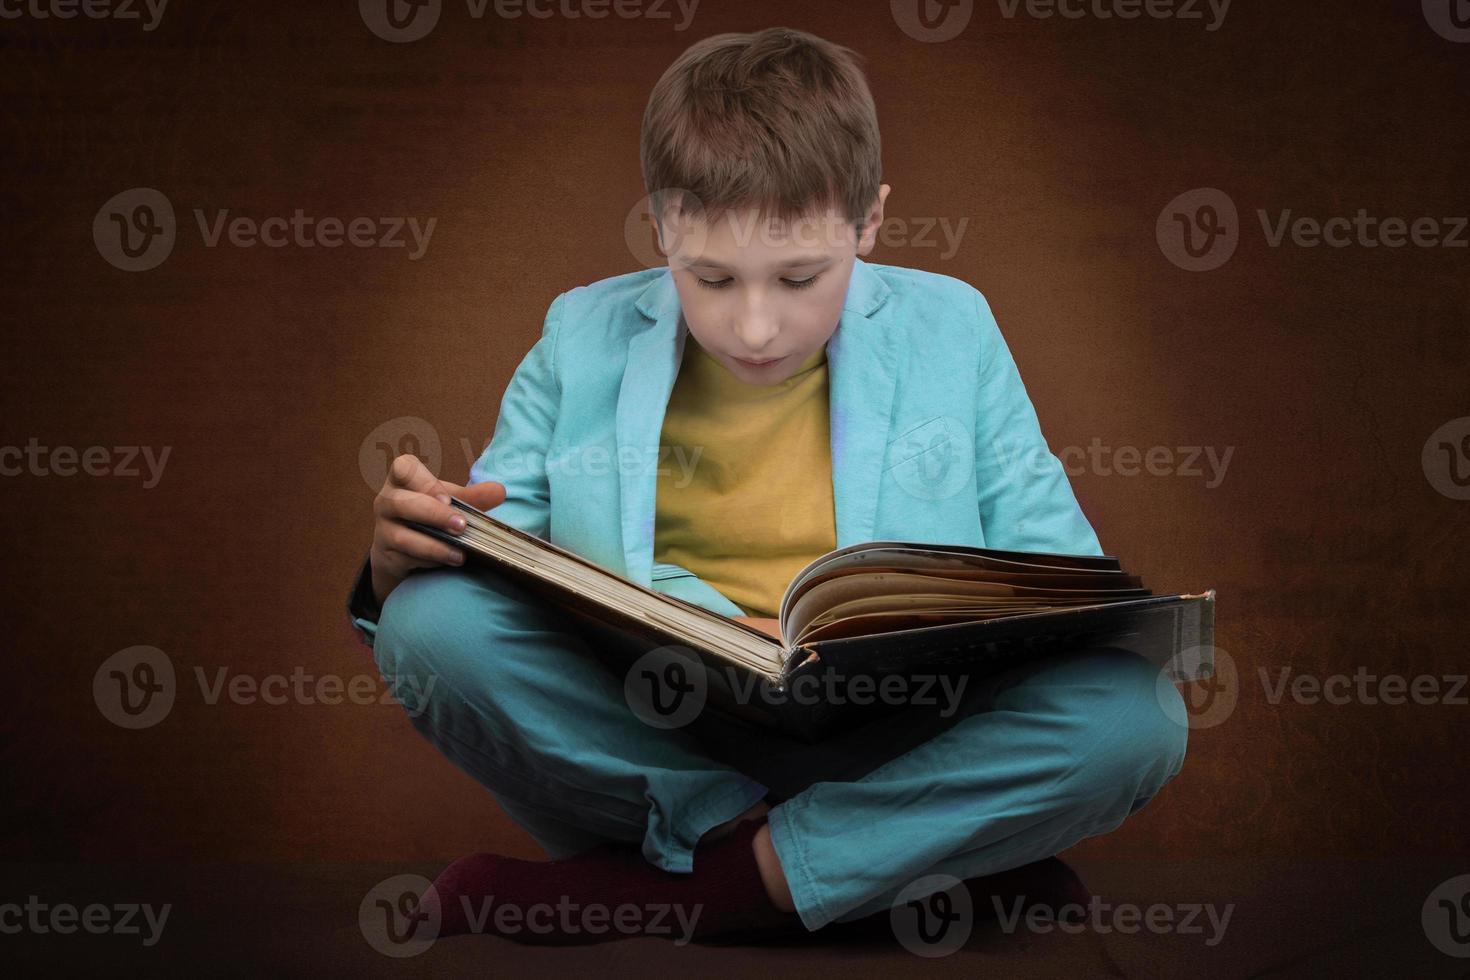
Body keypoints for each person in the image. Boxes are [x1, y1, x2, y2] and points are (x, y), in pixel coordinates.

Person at [346, 26, 1189, 946]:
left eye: (799, 278)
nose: (755, 327)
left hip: (905, 736)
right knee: (429, 625)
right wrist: (408, 559)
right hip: (668, 731)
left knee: (1134, 713)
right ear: (662, 226)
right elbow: (508, 555)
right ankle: (859, 865)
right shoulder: (579, 333)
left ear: (868, 221)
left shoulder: (956, 328)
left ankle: (691, 893)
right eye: (711, 278)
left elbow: (1054, 570)